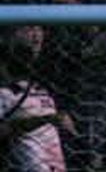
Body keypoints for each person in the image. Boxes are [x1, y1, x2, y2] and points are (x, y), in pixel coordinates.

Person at [0, 25, 75, 172]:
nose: (36, 35)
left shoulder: (45, 83)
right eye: (29, 28)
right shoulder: (4, 90)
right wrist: (44, 120)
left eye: (39, 28)